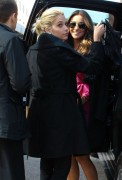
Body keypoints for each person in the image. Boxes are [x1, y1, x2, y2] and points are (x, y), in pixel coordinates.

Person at [25, 8, 105, 180]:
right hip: (61, 115)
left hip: (39, 114)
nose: (66, 29)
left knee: (46, 164)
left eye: (65, 24)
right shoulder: (59, 48)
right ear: (47, 29)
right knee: (62, 165)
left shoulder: (32, 50)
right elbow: (93, 67)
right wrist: (97, 41)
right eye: (60, 25)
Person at [67, 10, 101, 180]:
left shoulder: (90, 47)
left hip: (83, 105)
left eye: (81, 24)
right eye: (72, 24)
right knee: (69, 156)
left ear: (87, 27)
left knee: (81, 155)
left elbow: (94, 73)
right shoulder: (64, 45)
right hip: (66, 103)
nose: (76, 28)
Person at [0, 0, 31, 180]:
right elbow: (20, 83)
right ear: (13, 16)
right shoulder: (11, 40)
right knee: (10, 173)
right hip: (6, 121)